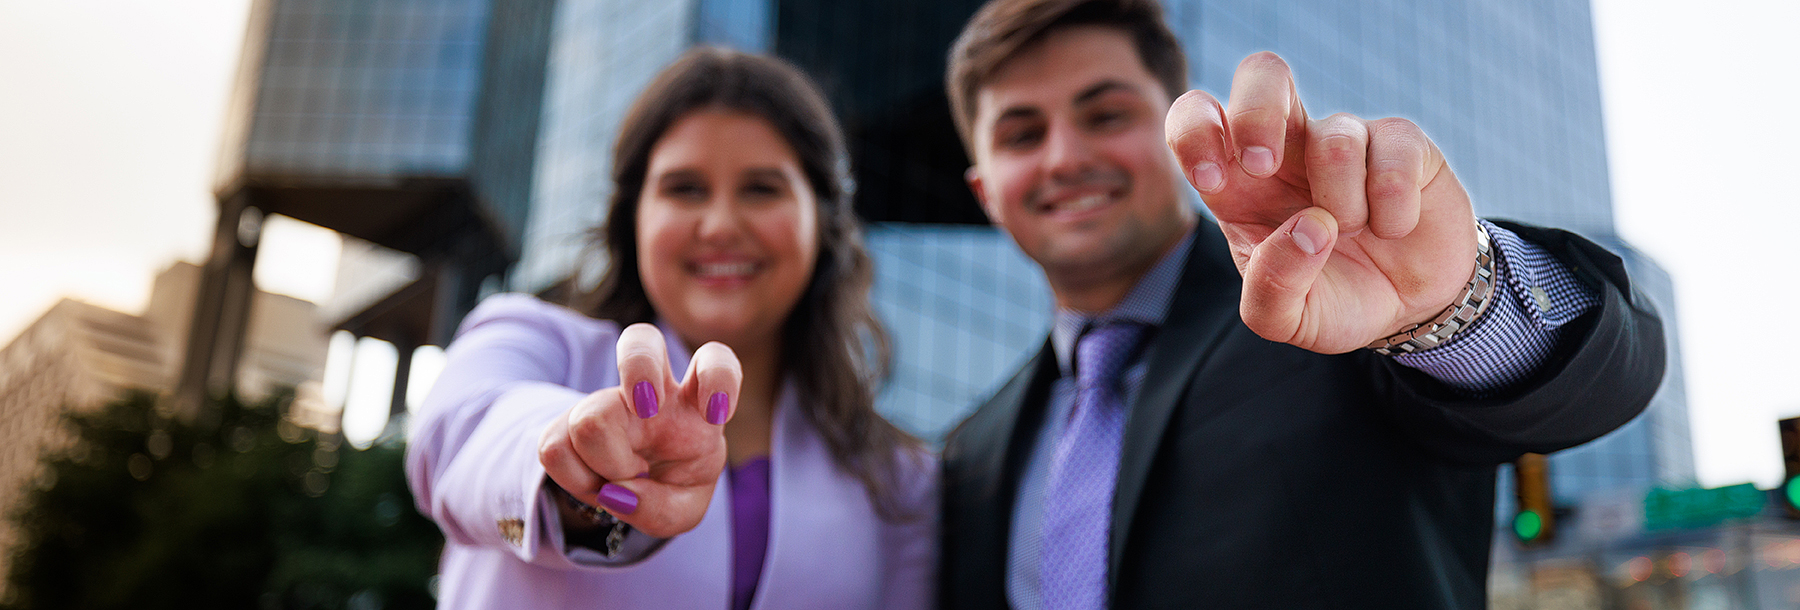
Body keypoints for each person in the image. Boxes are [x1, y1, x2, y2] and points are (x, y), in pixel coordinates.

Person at [935, 0, 1664, 608]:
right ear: (985, 193)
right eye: (1022, 133)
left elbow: (1601, 385)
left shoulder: (1337, 314)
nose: (1064, 156)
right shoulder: (971, 451)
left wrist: (1447, 301)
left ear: (1174, 137)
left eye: (1104, 114)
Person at [405, 48, 935, 610]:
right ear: (634, 218)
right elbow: (456, 444)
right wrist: (580, 469)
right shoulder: (530, 337)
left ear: (823, 221)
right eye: (684, 188)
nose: (720, 226)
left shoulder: (901, 478)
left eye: (762, 189)